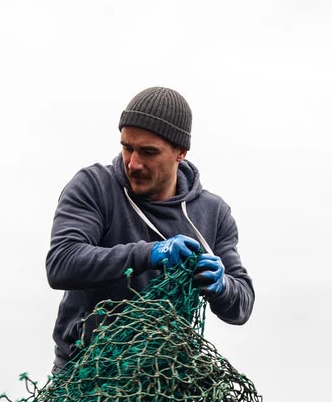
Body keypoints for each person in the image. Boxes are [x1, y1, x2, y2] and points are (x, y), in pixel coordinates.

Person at [46, 86, 255, 371]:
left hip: (165, 379)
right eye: (127, 147)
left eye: (148, 152)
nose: (133, 163)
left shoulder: (213, 214)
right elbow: (62, 263)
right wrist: (151, 253)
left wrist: (223, 286)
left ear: (180, 152)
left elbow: (242, 305)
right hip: (83, 372)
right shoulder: (94, 187)